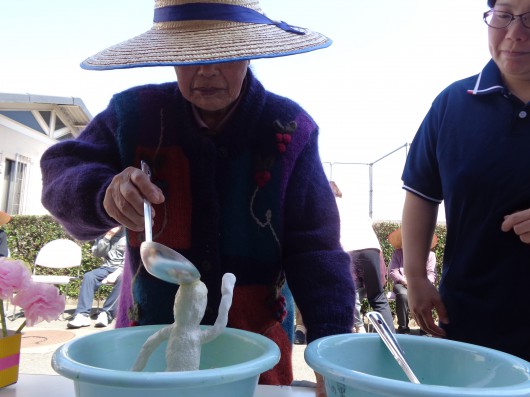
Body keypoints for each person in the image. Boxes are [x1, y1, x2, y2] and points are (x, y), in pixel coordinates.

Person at [40, 0, 355, 391]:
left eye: (225, 54)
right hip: (145, 343)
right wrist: (103, 193)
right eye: (190, 56)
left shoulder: (289, 129)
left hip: (256, 350)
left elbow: (315, 247)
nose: (207, 71)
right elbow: (62, 171)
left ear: (250, 52)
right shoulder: (133, 114)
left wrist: (329, 346)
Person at [401, 0, 530, 361]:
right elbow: (421, 192)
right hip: (470, 320)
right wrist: (416, 277)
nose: (515, 33)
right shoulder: (453, 104)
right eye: (503, 15)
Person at [329, 181, 394, 333]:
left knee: (342, 295)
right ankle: (391, 340)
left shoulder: (327, 205)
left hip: (347, 249)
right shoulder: (353, 205)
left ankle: (343, 339)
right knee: (378, 297)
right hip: (371, 248)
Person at [67, 226, 126, 329]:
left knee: (124, 279)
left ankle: (106, 313)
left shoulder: (129, 233)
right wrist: (108, 236)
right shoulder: (103, 232)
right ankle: (82, 314)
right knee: (89, 276)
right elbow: (98, 254)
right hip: (106, 267)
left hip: (123, 269)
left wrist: (116, 274)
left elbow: (130, 259)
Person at [388, 228, 437, 334]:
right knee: (402, 295)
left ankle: (425, 328)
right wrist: (404, 281)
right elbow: (393, 272)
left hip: (422, 284)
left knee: (424, 294)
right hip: (402, 284)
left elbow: (432, 274)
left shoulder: (430, 255)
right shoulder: (398, 253)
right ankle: (403, 327)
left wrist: (421, 283)